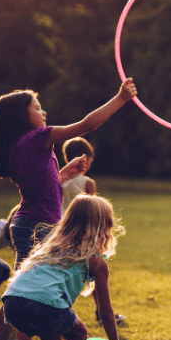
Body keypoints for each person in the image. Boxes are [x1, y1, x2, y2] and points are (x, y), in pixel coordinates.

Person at [0, 78, 137, 340]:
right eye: (37, 108)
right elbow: (87, 125)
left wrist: (64, 173)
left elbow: (41, 185)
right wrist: (120, 98)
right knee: (19, 292)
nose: (43, 112)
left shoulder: (18, 146)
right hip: (37, 227)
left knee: (19, 290)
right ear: (21, 117)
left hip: (30, 223)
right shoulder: (38, 138)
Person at [0, 195, 123, 340]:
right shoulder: (96, 261)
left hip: (12, 302)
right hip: (43, 305)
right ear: (103, 227)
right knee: (79, 334)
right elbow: (106, 311)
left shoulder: (49, 247)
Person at [61, 136, 126, 326]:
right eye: (90, 160)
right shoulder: (87, 182)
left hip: (64, 231)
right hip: (85, 233)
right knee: (95, 271)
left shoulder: (61, 181)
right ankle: (102, 312)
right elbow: (93, 210)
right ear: (84, 159)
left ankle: (65, 309)